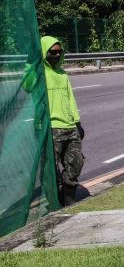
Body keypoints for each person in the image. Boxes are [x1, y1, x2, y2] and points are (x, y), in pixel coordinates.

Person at [24, 36, 84, 206]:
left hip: (69, 125)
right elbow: (27, 86)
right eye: (52, 52)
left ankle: (68, 196)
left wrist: (77, 122)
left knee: (76, 162)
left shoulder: (62, 73)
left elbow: (70, 98)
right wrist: (31, 63)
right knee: (51, 168)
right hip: (49, 127)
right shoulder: (38, 72)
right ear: (44, 52)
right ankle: (55, 199)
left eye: (59, 52)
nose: (56, 55)